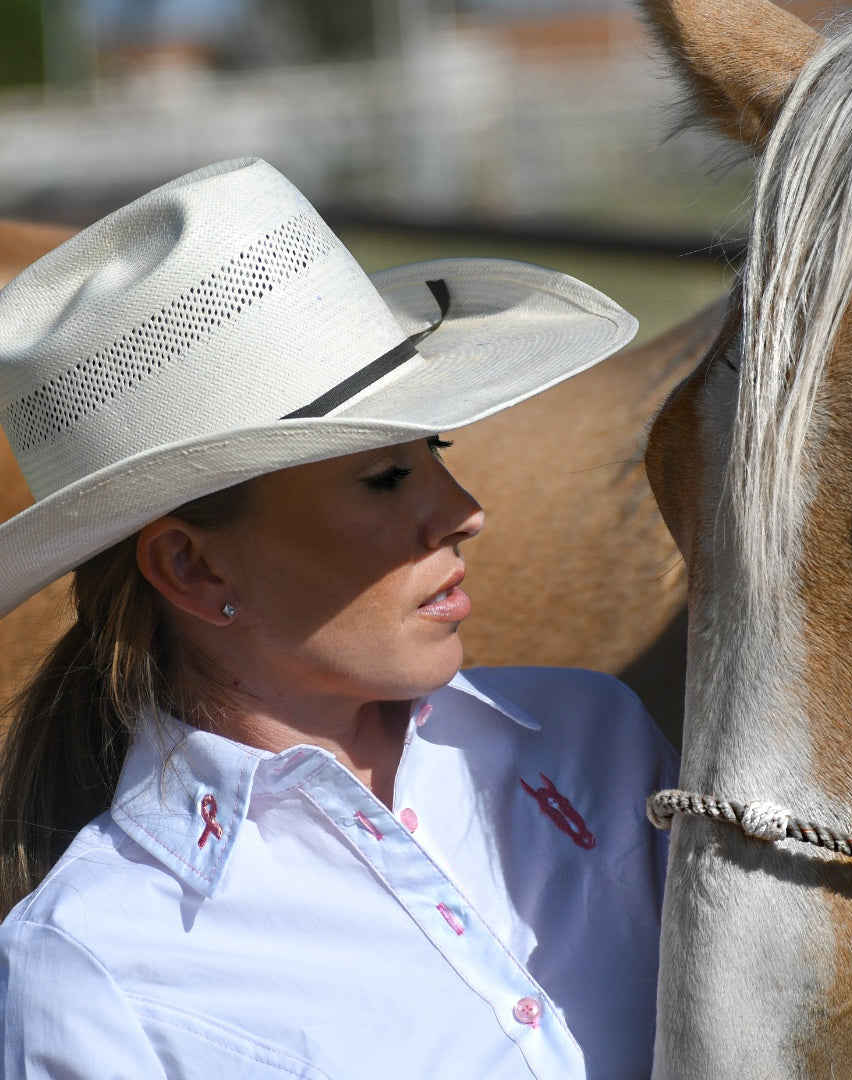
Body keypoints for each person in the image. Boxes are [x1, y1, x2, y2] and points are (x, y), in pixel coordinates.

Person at [0, 158, 677, 1079]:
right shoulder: (93, 963)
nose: (464, 509)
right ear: (193, 566)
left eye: (431, 451)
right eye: (386, 478)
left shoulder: (599, 741)